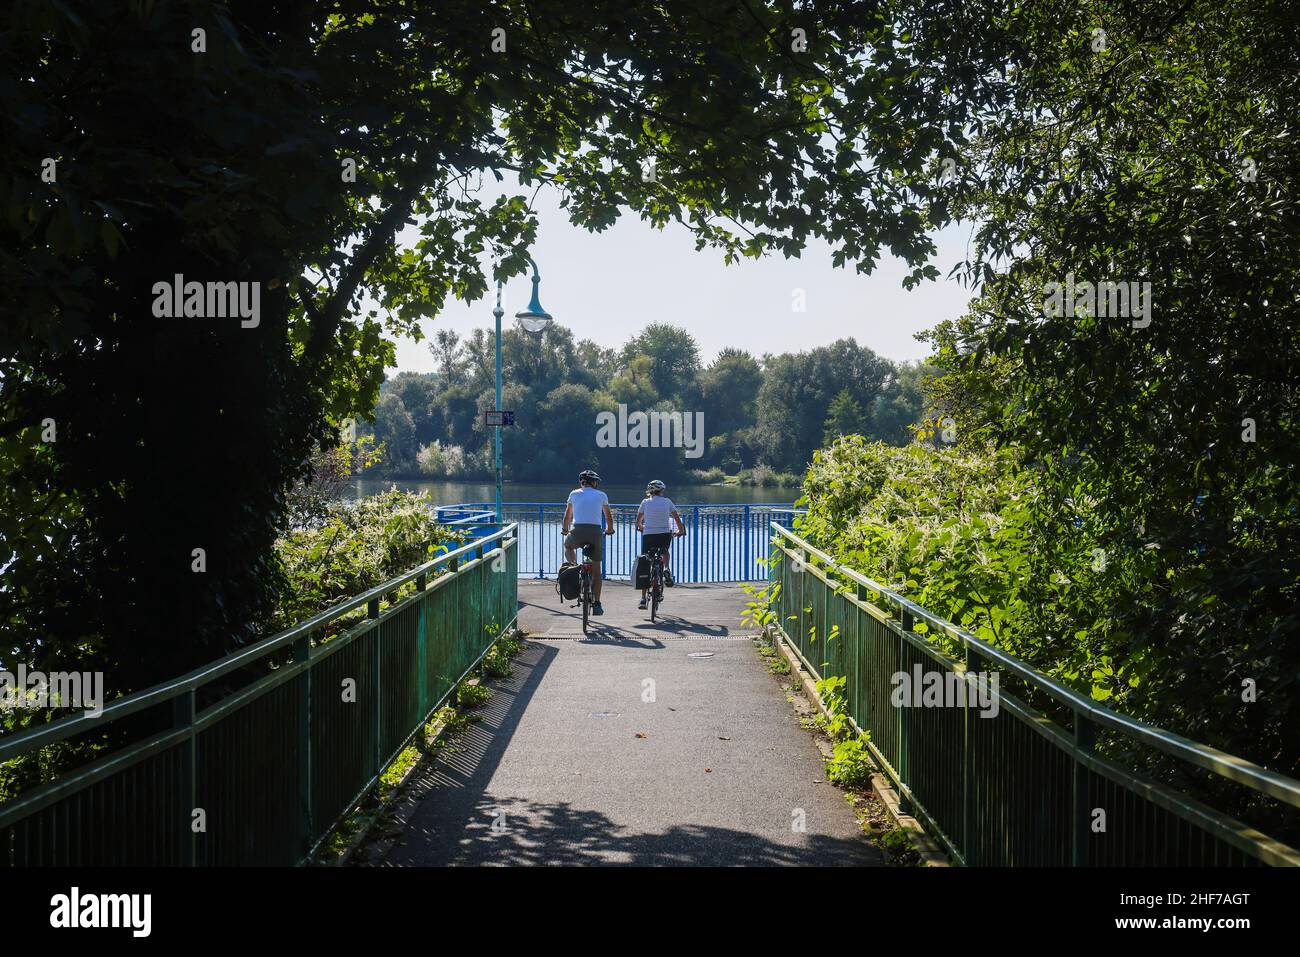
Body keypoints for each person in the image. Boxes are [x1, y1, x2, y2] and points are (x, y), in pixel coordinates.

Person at [561, 469, 616, 615]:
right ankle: (597, 603)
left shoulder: (573, 494)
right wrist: (610, 530)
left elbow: (567, 516)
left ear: (582, 482)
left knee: (567, 545)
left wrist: (565, 530)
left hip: (577, 531)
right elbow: (609, 518)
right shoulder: (601, 495)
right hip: (595, 532)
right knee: (596, 570)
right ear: (593, 482)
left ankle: (573, 565)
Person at [635, 479, 685, 609]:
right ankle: (667, 569)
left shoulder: (645, 502)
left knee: (646, 564)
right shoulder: (667, 502)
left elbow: (638, 520)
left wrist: (640, 527)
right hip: (664, 534)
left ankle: (642, 599)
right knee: (664, 551)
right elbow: (676, 517)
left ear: (649, 491)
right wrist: (680, 530)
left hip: (649, 535)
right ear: (662, 491)